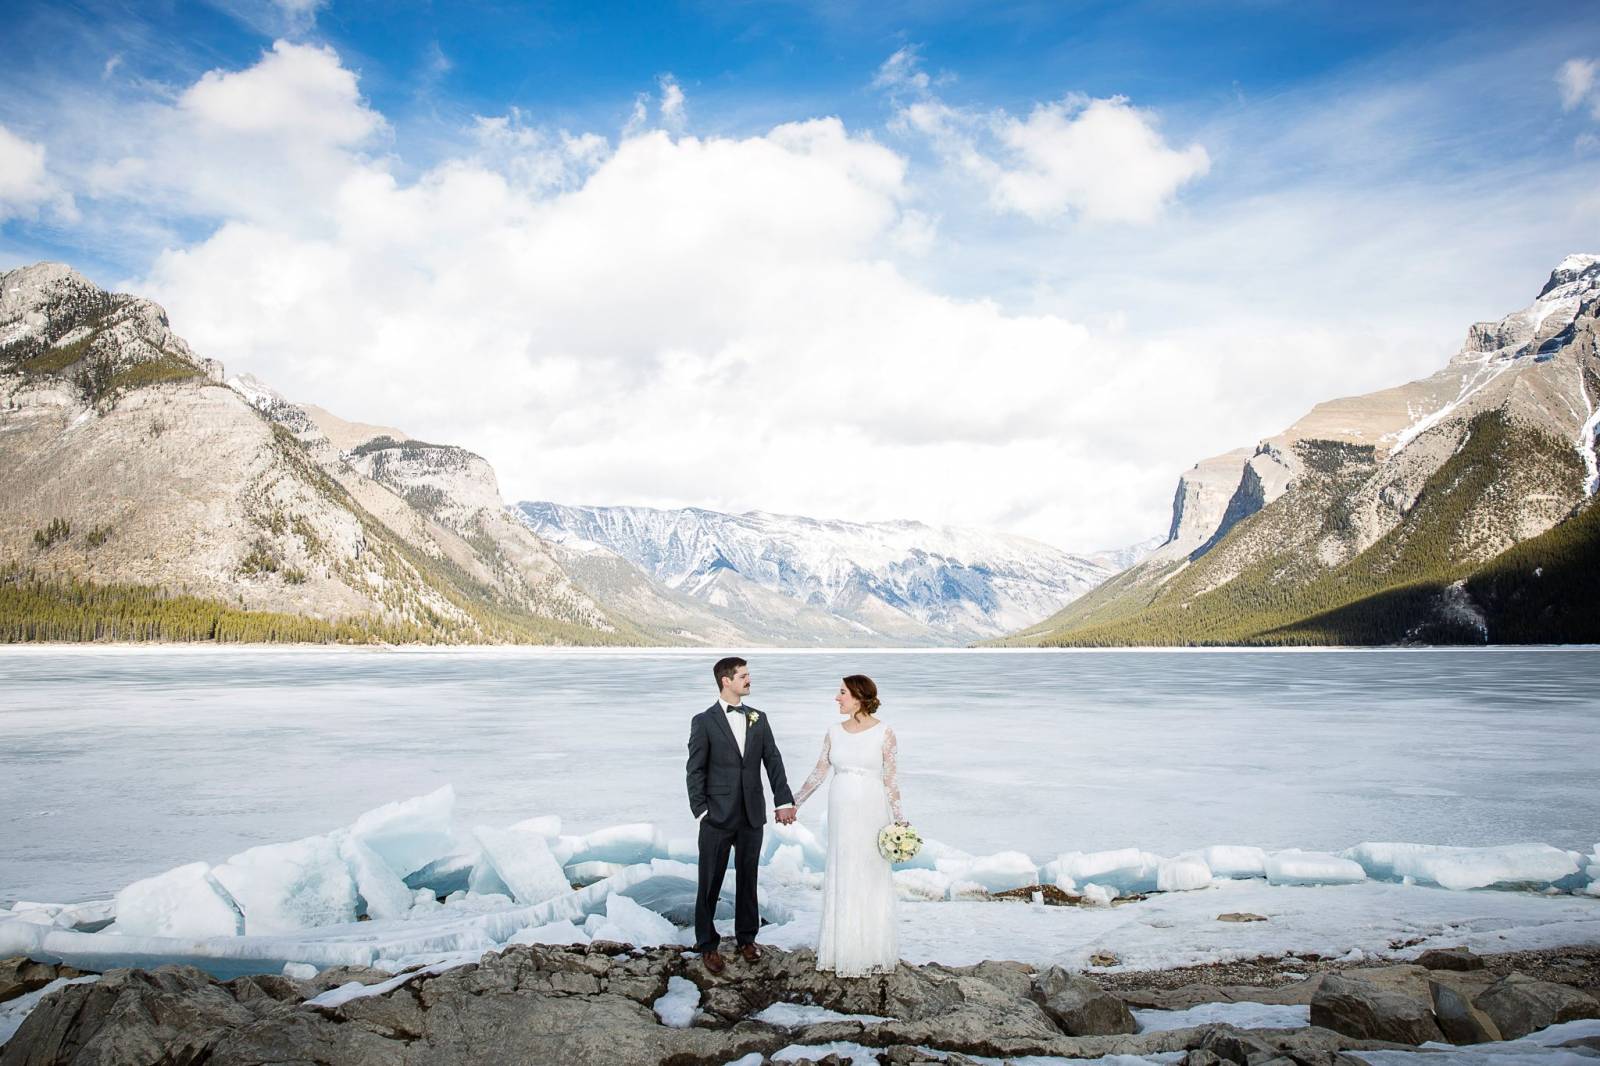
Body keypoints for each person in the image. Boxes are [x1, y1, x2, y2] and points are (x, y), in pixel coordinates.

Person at [685, 656, 796, 974]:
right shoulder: (703, 721)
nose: (749, 680)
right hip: (716, 816)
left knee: (749, 879)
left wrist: (783, 800)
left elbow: (773, 761)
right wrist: (701, 810)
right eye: (743, 676)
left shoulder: (759, 719)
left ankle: (747, 939)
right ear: (726, 680)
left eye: (749, 675)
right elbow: (695, 769)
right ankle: (707, 945)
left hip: (752, 814)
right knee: (709, 883)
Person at [792, 674, 904, 977]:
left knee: (869, 873)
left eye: (841, 693)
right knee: (844, 870)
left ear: (857, 697)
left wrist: (900, 819)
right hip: (841, 809)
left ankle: (871, 949)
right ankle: (842, 949)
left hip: (871, 808)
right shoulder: (833, 732)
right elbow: (819, 772)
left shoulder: (884, 732)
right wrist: (795, 802)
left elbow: (890, 780)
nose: (836, 698)